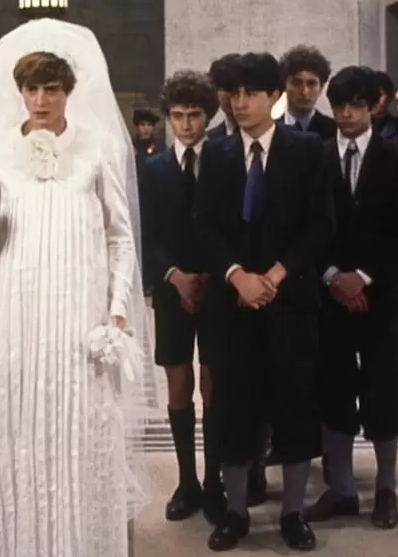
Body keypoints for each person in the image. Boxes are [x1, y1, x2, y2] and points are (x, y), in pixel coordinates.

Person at [0, 19, 150, 557]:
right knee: (22, 430)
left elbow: (120, 237)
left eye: (52, 89)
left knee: (78, 429)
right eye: (32, 89)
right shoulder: (0, 150)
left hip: (80, 316)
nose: (41, 100)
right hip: (19, 317)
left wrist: (117, 311)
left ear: (69, 92)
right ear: (19, 93)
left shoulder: (97, 147)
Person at [193, 52, 334, 552]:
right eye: (234, 93)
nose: (240, 102)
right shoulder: (217, 153)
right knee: (233, 406)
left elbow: (321, 226)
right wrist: (237, 277)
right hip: (232, 304)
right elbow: (204, 226)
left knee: (294, 404)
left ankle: (293, 513)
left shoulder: (308, 150)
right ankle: (235, 513)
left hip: (289, 300)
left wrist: (273, 276)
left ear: (275, 97)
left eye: (251, 93)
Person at [306, 66, 398, 529]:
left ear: (374, 105)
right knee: (333, 386)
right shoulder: (314, 156)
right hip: (329, 294)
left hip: (379, 294)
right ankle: (342, 488)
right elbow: (306, 224)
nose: (346, 114)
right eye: (338, 106)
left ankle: (386, 488)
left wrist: (364, 278)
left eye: (355, 105)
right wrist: (334, 276)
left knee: (383, 387)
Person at [140, 70, 225, 523]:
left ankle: (214, 481)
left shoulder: (224, 159)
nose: (187, 124)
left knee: (213, 384)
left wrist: (209, 275)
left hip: (217, 287)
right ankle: (186, 480)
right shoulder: (152, 168)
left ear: (208, 116)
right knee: (177, 384)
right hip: (173, 289)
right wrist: (176, 277)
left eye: (194, 115)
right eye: (178, 116)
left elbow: (231, 226)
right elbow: (146, 233)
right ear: (168, 117)